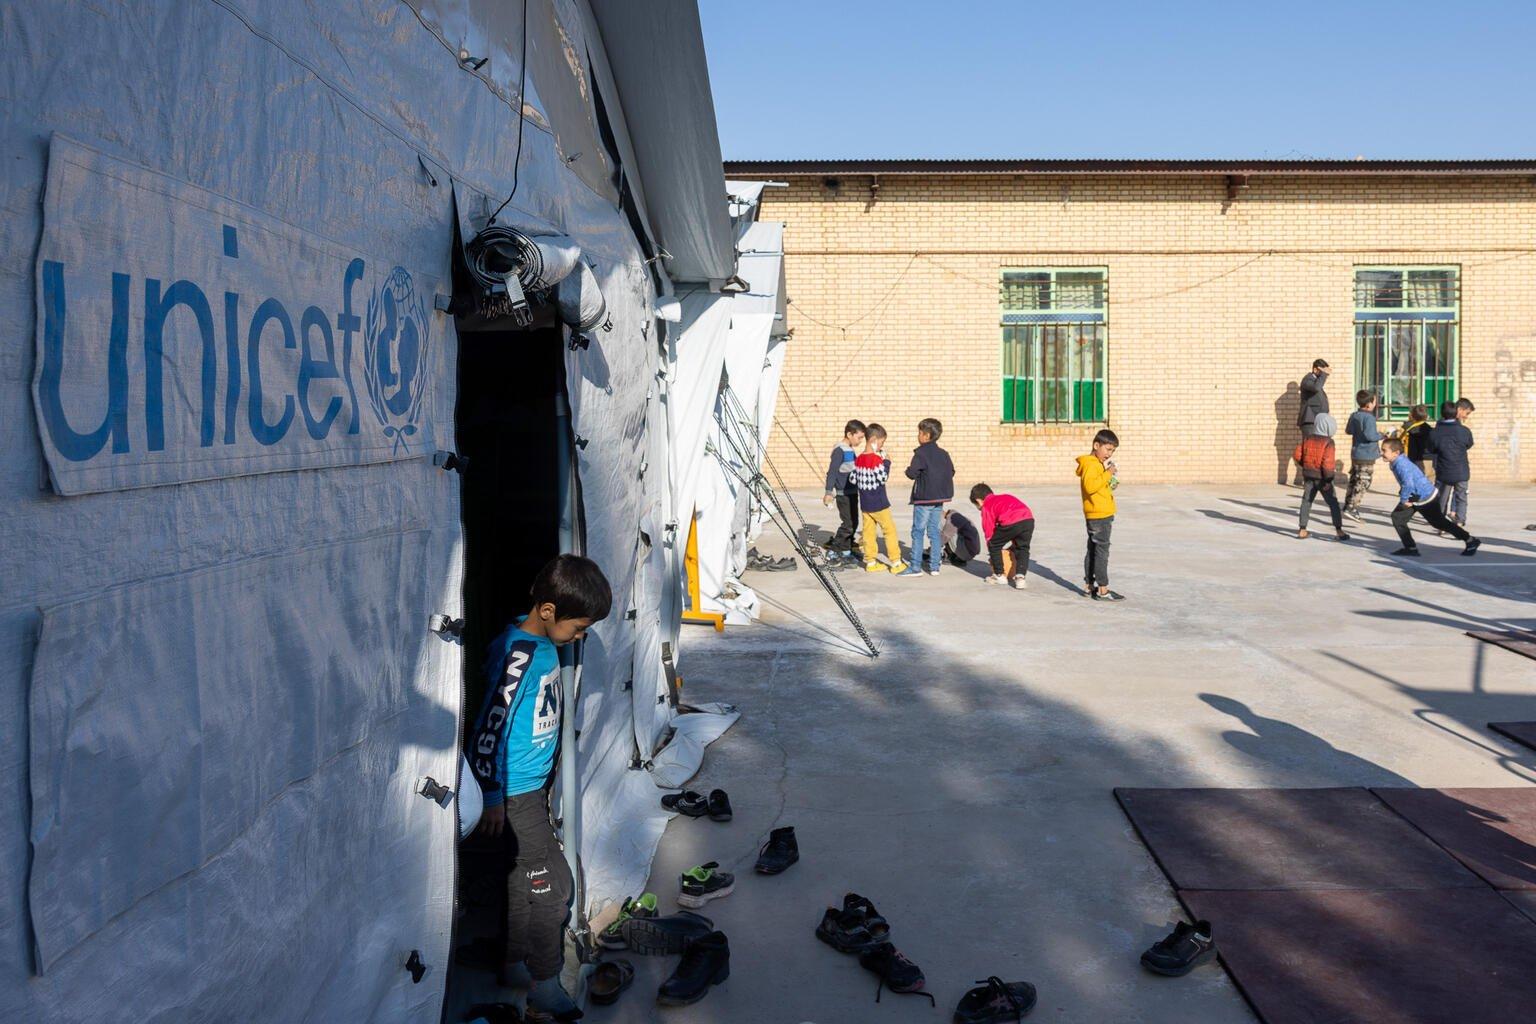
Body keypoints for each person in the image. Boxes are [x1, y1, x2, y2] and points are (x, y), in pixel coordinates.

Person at [471, 554, 613, 1020]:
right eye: (578, 627)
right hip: (514, 795)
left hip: (530, 790)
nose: (581, 636)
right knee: (553, 891)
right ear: (548, 612)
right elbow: (488, 726)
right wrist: (490, 795)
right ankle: (546, 987)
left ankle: (512, 963)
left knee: (522, 883)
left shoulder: (542, 638)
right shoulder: (519, 654)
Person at [1382, 437, 1480, 557]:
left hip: (1424, 496)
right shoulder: (1397, 461)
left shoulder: (1401, 464)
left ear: (1396, 453)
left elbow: (1408, 484)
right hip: (1416, 495)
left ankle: (1470, 540)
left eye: (1384, 450)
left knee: (1439, 523)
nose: (1382, 453)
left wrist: (1404, 500)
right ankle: (1410, 548)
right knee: (1398, 518)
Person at [898, 417, 956, 578]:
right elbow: (951, 472)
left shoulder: (920, 453)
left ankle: (915, 567)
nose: (918, 435)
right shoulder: (944, 454)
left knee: (918, 531)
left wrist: (907, 470)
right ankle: (935, 566)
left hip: (924, 498)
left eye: (919, 432)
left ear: (926, 435)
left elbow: (912, 473)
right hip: (939, 499)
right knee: (934, 532)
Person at [853, 423, 907, 574]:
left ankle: (870, 562)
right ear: (874, 440)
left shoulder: (859, 459)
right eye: (882, 442)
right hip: (879, 502)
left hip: (865, 503)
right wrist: (887, 462)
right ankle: (896, 562)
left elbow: (853, 478)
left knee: (868, 533)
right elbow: (883, 478)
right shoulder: (875, 460)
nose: (882, 445)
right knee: (889, 530)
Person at [1076, 428, 1123, 601]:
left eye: (1112, 451)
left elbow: (1097, 486)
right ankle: (1103, 589)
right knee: (1102, 551)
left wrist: (1110, 481)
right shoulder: (1090, 464)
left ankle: (1089, 586)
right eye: (1108, 449)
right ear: (1096, 445)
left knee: (1093, 550)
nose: (1109, 454)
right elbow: (1090, 487)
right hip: (1100, 515)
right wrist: (1107, 473)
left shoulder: (1095, 465)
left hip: (1097, 513)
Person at [1291, 412, 1349, 541]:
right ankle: (1339, 531)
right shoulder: (1329, 442)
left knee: (1306, 502)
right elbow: (1328, 463)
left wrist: (1305, 465)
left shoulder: (1307, 438)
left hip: (1308, 475)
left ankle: (1302, 529)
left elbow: (1297, 454)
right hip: (1323, 478)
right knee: (1333, 503)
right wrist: (1328, 480)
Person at [969, 483, 1034, 589]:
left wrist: (993, 552)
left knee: (994, 544)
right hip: (1028, 519)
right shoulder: (1006, 496)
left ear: (978, 501)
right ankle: (1020, 578)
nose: (978, 508)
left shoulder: (987, 506)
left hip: (1011, 520)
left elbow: (989, 531)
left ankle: (999, 575)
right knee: (1022, 548)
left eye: (976, 505)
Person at [822, 419, 866, 562]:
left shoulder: (850, 450)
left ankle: (846, 551)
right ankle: (833, 550)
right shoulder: (839, 450)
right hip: (843, 495)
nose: (860, 441)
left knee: (854, 522)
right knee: (847, 524)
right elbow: (832, 472)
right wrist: (829, 492)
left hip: (852, 493)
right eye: (859, 437)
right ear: (849, 434)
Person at [1426, 398, 1474, 527]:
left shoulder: (1435, 432)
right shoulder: (1464, 431)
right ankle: (1460, 520)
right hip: (1461, 470)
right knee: (1461, 496)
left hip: (1444, 469)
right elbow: (1469, 444)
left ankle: (1441, 522)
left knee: (1442, 497)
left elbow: (1431, 449)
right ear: (1457, 411)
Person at [1343, 390, 1382, 520]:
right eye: (1374, 401)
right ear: (1369, 404)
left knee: (1354, 480)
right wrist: (1382, 435)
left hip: (1356, 453)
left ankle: (1348, 504)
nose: (1375, 403)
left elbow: (1349, 430)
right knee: (1364, 481)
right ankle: (1351, 507)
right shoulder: (1369, 417)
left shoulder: (1354, 415)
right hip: (1366, 455)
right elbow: (1370, 436)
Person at [1296, 359, 1330, 429]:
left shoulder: (1316, 382)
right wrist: (1323, 374)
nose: (1324, 375)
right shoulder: (1307, 380)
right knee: (1309, 440)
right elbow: (1316, 388)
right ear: (1315, 370)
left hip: (1318, 420)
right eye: (1322, 372)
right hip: (1309, 421)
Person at [1401, 403, 1432, 471]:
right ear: (1426, 416)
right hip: (1427, 460)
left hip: (1411, 460)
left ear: (1412, 415)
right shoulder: (1429, 430)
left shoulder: (1407, 429)